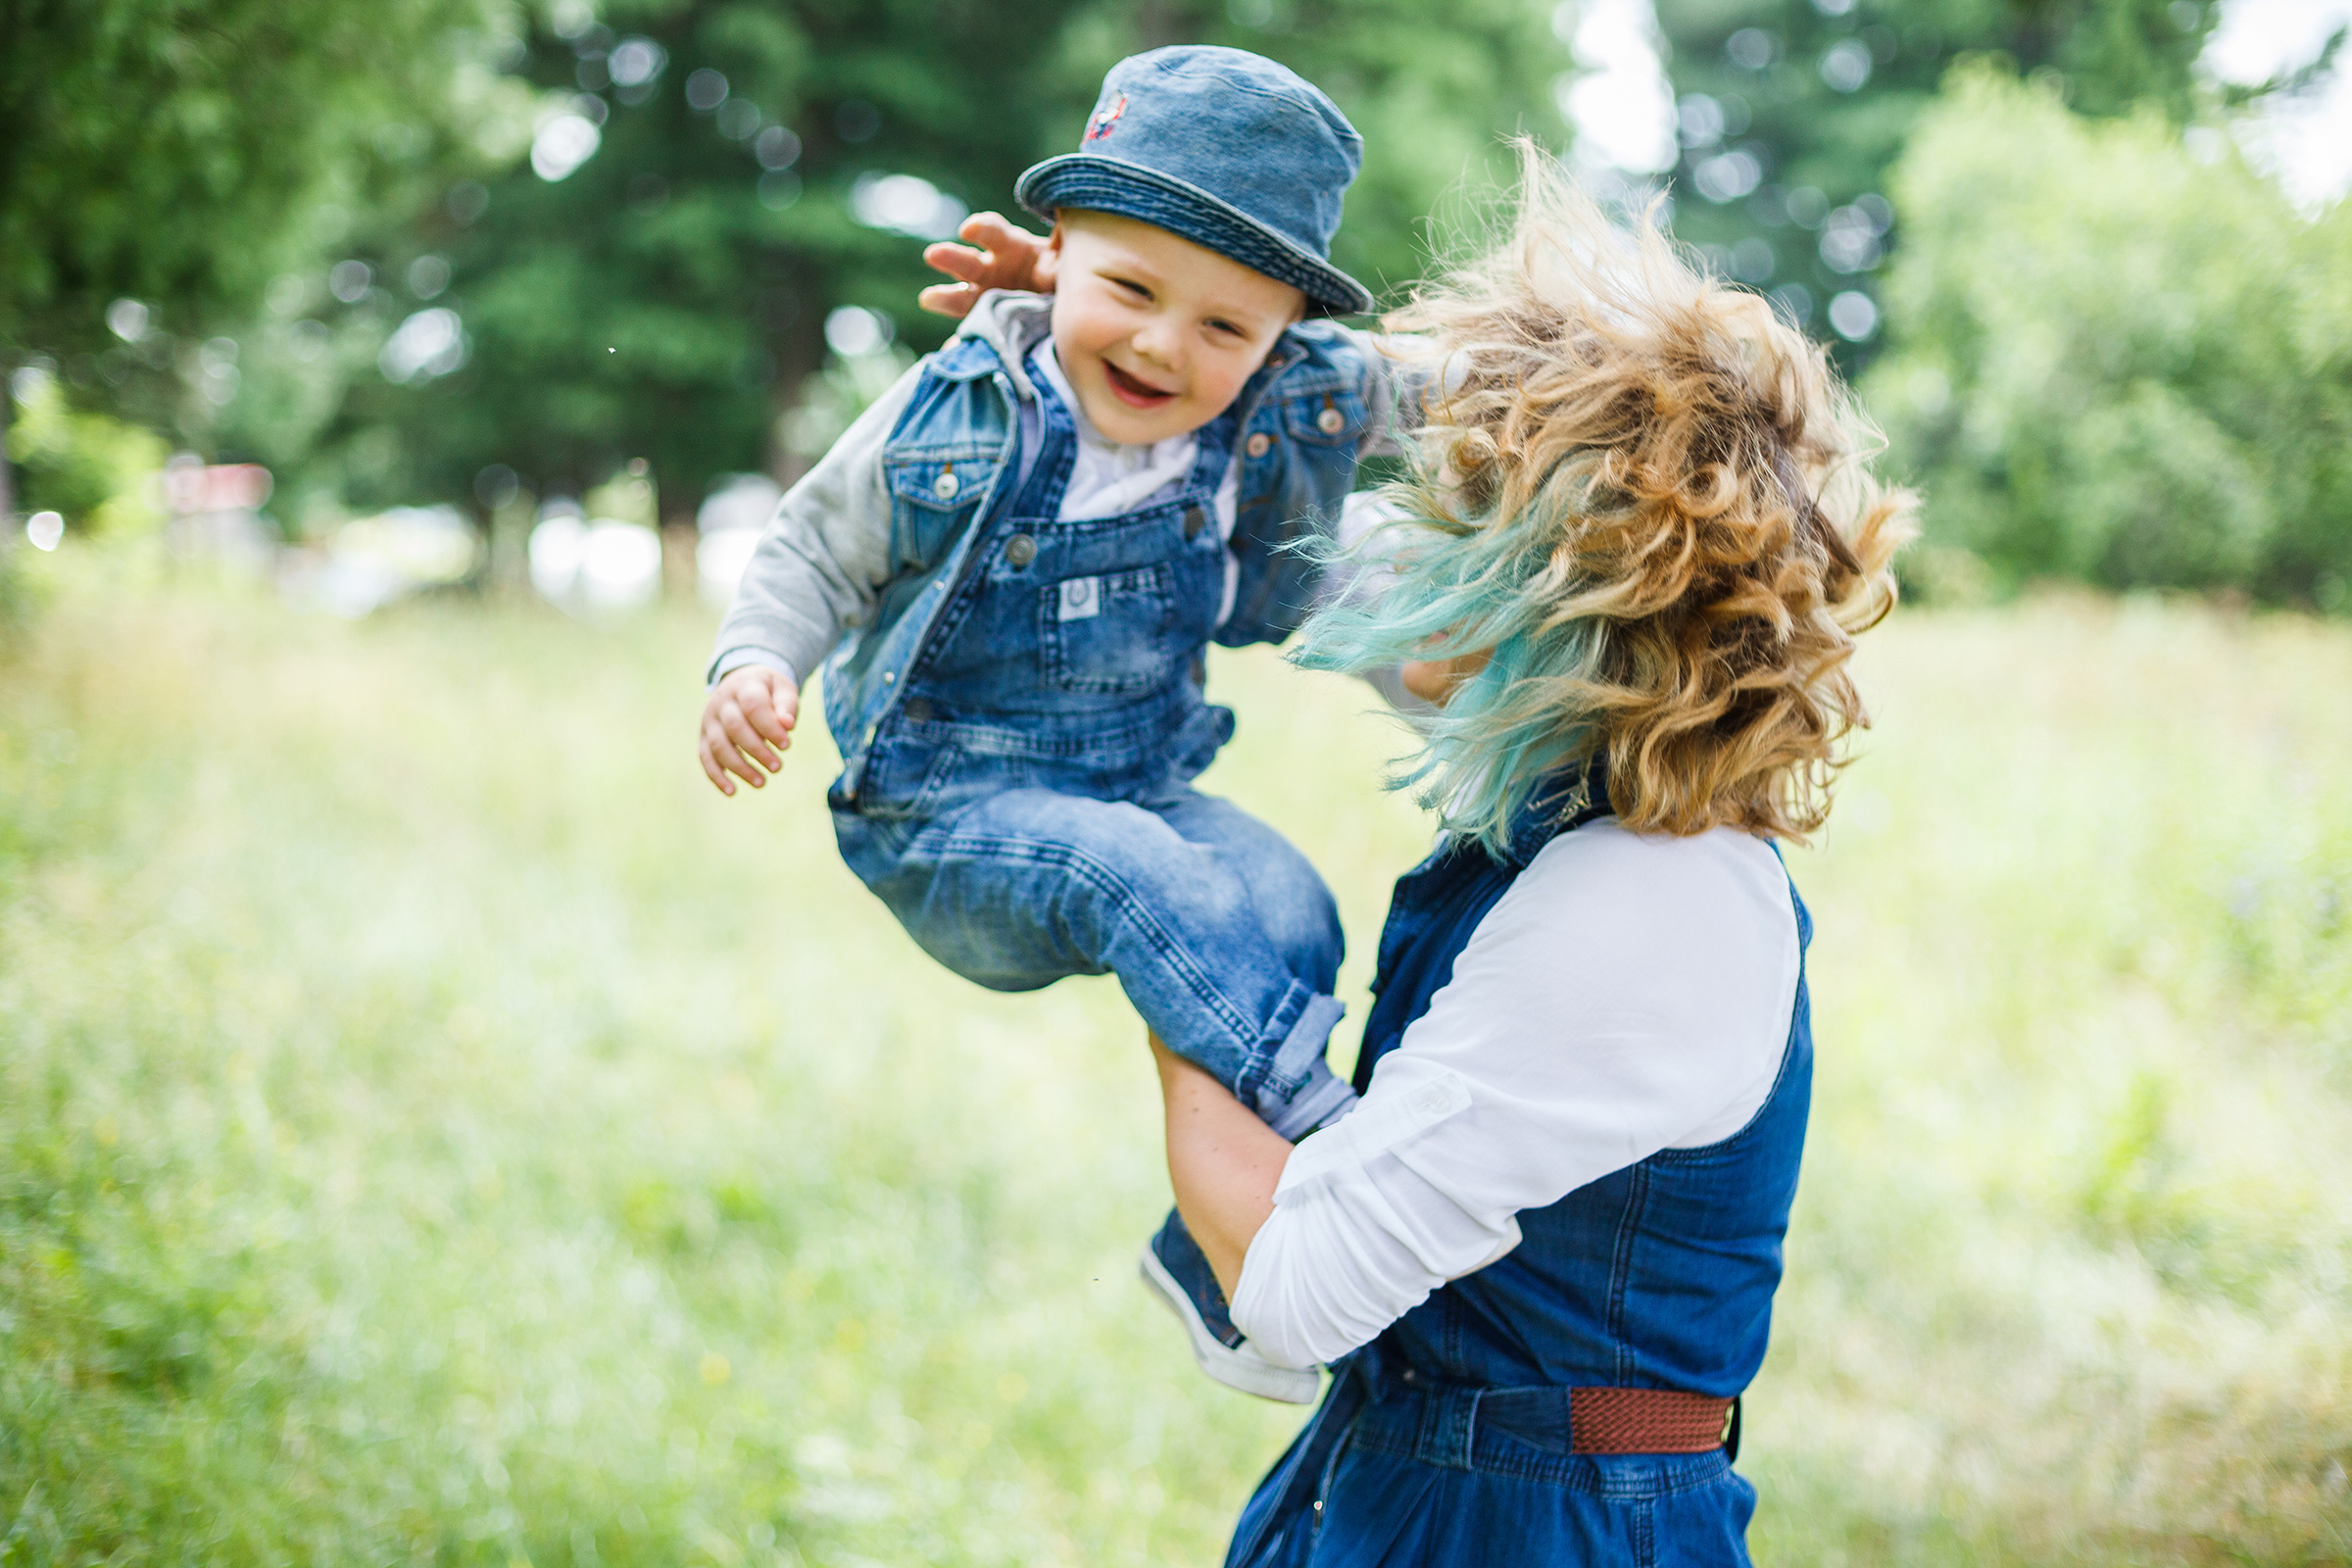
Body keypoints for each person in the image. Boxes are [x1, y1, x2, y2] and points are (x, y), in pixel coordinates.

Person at [1129, 154, 1912, 1562]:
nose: (1415, 532)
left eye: (1466, 516)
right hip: (1416, 1484)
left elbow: (1298, 1288)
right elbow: (1308, 553)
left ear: (1574, 594)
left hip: (1535, 1528)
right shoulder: (1593, 738)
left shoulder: (1647, 904)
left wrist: (1163, 949)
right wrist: (1116, 335)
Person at [696, 46, 1418, 1403]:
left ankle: (1214, 1278)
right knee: (1128, 876)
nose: (1163, 347)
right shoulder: (961, 414)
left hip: (1134, 779)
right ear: (1054, 256)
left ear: (1277, 341)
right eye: (1130, 290)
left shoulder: (1274, 402)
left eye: (1225, 329)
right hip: (951, 815)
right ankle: (1329, 1145)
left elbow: (1447, 385)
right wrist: (754, 665)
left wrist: (1637, 390)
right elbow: (810, 550)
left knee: (1289, 902)